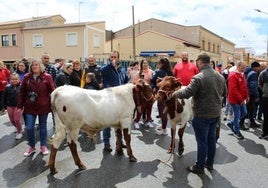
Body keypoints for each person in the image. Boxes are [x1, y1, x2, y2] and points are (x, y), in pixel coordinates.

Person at [172, 52, 226, 174]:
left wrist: (174, 94)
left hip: (202, 114)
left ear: (200, 62)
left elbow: (186, 93)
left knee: (202, 142)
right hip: (215, 114)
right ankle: (209, 163)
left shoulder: (198, 77)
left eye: (197, 62)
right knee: (211, 140)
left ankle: (199, 166)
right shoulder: (220, 76)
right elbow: (224, 93)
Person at [17, 59, 55, 157]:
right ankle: (32, 146)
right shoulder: (26, 77)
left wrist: (55, 104)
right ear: (30, 67)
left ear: (40, 66)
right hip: (30, 106)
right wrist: (20, 105)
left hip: (43, 105)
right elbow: (22, 92)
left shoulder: (47, 77)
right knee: (29, 127)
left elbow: (53, 91)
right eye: (32, 65)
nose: (34, 66)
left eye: (36, 65)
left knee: (43, 127)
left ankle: (43, 146)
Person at [100, 51, 128, 152]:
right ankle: (106, 143)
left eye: (115, 57)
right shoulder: (106, 68)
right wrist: (110, 66)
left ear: (118, 58)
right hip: (109, 99)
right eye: (111, 57)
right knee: (107, 123)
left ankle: (120, 141)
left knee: (120, 123)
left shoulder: (122, 69)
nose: (113, 58)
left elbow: (126, 81)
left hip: (120, 100)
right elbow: (102, 72)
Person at [226, 61, 249, 139]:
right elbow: (233, 90)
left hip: (241, 99)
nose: (244, 69)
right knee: (237, 115)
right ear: (238, 66)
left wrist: (247, 96)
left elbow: (244, 86)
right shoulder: (233, 75)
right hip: (234, 99)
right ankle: (236, 131)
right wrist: (241, 99)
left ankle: (231, 123)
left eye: (245, 68)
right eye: (243, 68)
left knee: (244, 112)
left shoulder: (241, 74)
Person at [151, 57, 173, 135]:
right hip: (169, 95)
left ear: (162, 64)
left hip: (161, 95)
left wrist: (154, 86)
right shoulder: (170, 72)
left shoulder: (159, 72)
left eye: (159, 63)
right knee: (165, 111)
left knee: (162, 111)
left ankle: (164, 130)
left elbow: (152, 80)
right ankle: (163, 126)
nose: (158, 65)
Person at [133, 59, 154, 129]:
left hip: (149, 93)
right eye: (143, 63)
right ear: (141, 65)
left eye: (146, 63)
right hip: (141, 94)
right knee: (141, 108)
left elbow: (153, 81)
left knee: (149, 108)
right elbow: (135, 82)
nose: (145, 65)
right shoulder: (139, 73)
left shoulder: (151, 72)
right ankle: (137, 121)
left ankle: (148, 121)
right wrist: (141, 83)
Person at [240, 61, 261, 129]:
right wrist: (257, 95)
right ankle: (241, 123)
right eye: (259, 67)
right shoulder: (253, 73)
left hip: (245, 93)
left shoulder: (246, 72)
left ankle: (252, 122)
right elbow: (253, 85)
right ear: (256, 67)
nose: (259, 69)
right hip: (250, 94)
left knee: (249, 109)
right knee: (248, 109)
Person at [3, 73, 23, 139]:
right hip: (9, 106)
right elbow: (4, 97)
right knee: (12, 120)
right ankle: (17, 127)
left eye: (16, 79)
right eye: (13, 79)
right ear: (10, 79)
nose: (14, 80)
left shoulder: (22, 86)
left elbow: (25, 96)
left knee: (17, 120)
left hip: (19, 106)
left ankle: (19, 132)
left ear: (19, 79)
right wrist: (4, 106)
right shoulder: (7, 87)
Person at [258, 64, 268, 139]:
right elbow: (260, 83)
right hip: (265, 97)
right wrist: (264, 90)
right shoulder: (263, 73)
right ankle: (265, 132)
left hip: (265, 96)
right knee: (266, 116)